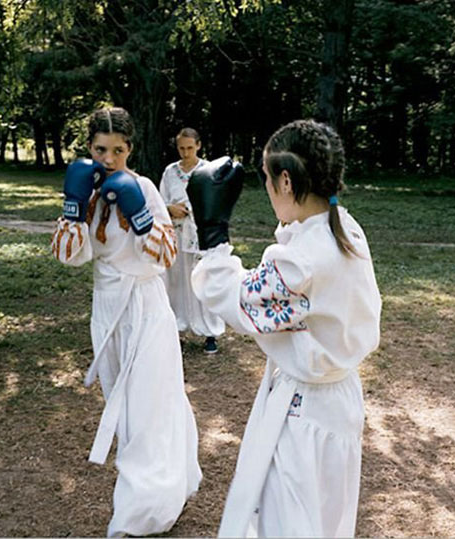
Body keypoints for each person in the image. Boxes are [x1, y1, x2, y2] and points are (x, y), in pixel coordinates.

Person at [189, 119, 382, 537]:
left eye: (267, 178)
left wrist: (213, 236)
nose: (266, 188)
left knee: (286, 526)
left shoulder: (301, 262)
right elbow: (295, 250)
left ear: (287, 181)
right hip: (339, 402)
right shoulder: (345, 229)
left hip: (304, 412)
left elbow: (238, 300)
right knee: (324, 523)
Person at [50, 107, 202, 537]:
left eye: (118, 150)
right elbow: (68, 256)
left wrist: (140, 218)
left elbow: (167, 256)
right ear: (90, 148)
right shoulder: (86, 188)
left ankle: (143, 510)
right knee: (126, 412)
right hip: (107, 309)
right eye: (101, 150)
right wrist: (74, 208)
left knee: (151, 404)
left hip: (146, 305)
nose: (109, 159)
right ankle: (158, 490)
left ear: (129, 149)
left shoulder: (145, 187)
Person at [159, 128, 225, 354]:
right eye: (181, 148)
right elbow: (160, 201)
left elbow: (217, 202)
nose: (186, 153)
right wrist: (170, 208)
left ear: (198, 145)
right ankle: (176, 326)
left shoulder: (209, 170)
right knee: (176, 279)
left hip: (201, 234)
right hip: (177, 233)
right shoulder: (170, 171)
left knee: (202, 279)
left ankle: (209, 330)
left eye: (189, 148)